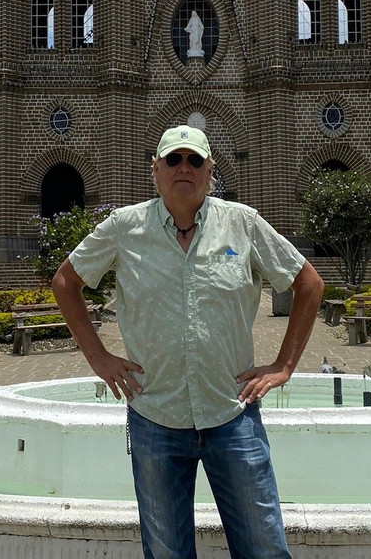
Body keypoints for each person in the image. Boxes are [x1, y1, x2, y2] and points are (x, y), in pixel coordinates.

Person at [52, 124, 324, 559]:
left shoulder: (242, 224)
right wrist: (98, 357)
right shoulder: (125, 228)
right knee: (167, 554)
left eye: (195, 160)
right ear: (155, 170)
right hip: (155, 417)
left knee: (264, 549)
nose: (185, 167)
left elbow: (308, 283)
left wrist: (283, 365)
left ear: (210, 171)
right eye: (174, 159)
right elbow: (66, 281)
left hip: (232, 415)